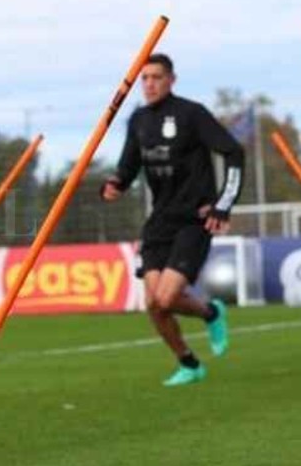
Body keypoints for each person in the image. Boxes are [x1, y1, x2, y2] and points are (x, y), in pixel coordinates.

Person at [101, 54, 245, 386]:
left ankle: (211, 313)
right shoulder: (138, 120)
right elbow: (128, 166)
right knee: (154, 304)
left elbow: (234, 152)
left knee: (166, 297)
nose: (149, 84)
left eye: (157, 77)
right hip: (159, 222)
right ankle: (189, 363)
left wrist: (223, 204)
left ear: (171, 80)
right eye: (145, 78)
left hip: (194, 220)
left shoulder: (192, 114)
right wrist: (115, 184)